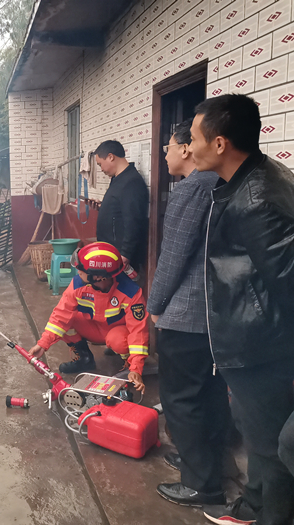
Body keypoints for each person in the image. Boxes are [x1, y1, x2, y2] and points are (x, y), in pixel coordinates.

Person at [189, 94, 294, 525]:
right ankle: (251, 507)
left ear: (219, 143)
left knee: (269, 450)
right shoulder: (247, 181)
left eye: (193, 138)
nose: (184, 147)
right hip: (255, 344)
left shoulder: (256, 201)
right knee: (257, 439)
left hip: (261, 350)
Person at [147, 120, 229, 507]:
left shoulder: (193, 189)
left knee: (182, 399)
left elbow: (173, 258)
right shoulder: (220, 185)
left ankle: (201, 484)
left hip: (186, 315)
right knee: (208, 392)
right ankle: (205, 462)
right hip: (214, 315)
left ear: (185, 149)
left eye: (169, 146)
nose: (164, 154)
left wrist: (154, 305)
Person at [28, 241, 148, 390]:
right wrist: (43, 344)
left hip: (117, 334)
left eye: (81, 269)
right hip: (93, 329)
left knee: (118, 341)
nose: (77, 271)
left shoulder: (130, 292)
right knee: (66, 322)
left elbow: (138, 331)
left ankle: (127, 365)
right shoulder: (78, 284)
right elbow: (60, 315)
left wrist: (136, 368)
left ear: (98, 277)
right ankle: (84, 359)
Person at [95, 140, 149, 276]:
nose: (101, 169)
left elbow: (133, 220)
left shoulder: (131, 182)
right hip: (110, 253)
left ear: (111, 157)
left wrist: (125, 254)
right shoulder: (117, 179)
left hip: (121, 258)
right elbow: (119, 209)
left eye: (100, 164)